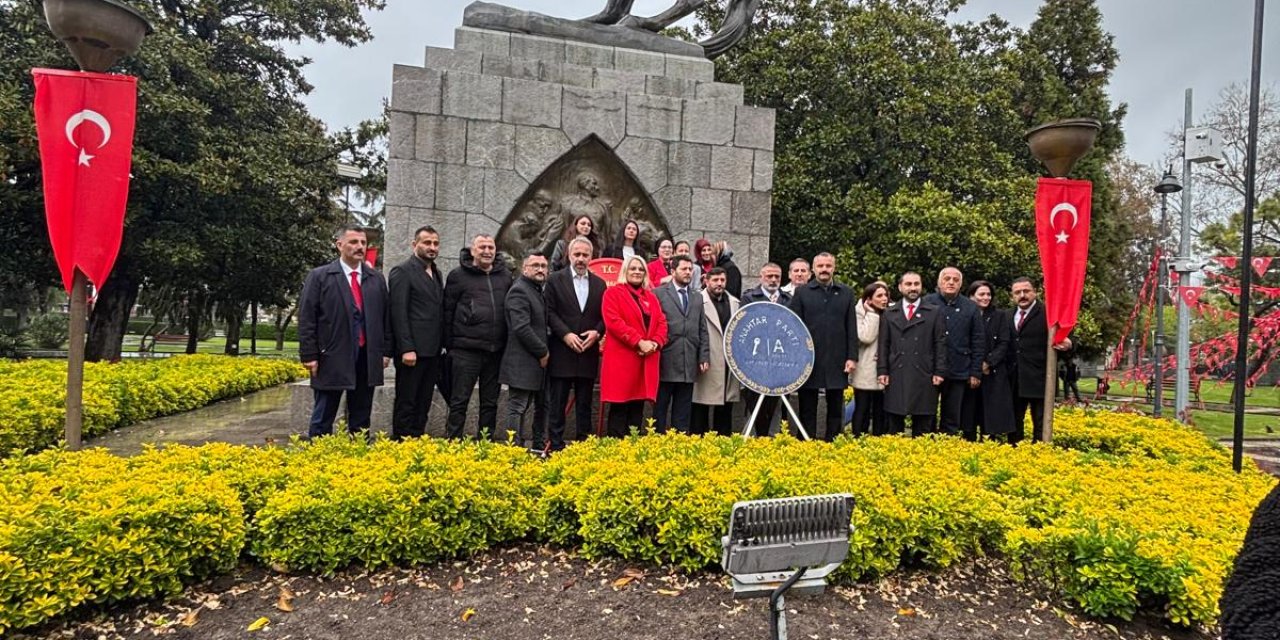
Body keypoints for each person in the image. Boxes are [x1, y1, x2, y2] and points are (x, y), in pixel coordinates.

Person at [298, 225, 392, 438]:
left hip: (367, 357)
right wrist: (309, 355)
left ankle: (357, 457)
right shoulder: (320, 276)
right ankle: (319, 455)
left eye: (363, 242)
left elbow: (385, 319)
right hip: (331, 355)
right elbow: (307, 319)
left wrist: (386, 351)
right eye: (353, 242)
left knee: (361, 415)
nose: (359, 247)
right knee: (324, 414)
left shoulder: (376, 279)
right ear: (339, 245)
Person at [443, 234, 514, 440]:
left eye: (490, 247)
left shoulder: (505, 276)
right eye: (482, 247)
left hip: (495, 351)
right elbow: (447, 311)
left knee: (490, 402)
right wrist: (449, 345)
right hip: (466, 350)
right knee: (459, 401)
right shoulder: (458, 276)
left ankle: (485, 443)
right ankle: (454, 442)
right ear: (472, 251)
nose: (487, 251)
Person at [544, 237, 607, 448]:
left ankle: (583, 446)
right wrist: (565, 335)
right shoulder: (555, 280)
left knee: (584, 404)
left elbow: (604, 316)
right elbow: (549, 312)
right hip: (562, 350)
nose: (581, 259)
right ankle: (555, 444)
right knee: (558, 402)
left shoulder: (600, 284)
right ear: (569, 255)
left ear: (592, 257)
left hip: (587, 352)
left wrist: (597, 333)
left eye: (585, 255)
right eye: (577, 254)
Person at [788, 253, 857, 441]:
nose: (824, 269)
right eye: (820, 266)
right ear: (813, 269)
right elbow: (794, 326)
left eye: (828, 265)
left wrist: (852, 357)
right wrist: (796, 357)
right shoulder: (802, 292)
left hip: (837, 358)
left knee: (835, 406)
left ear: (834, 268)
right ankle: (806, 442)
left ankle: (832, 442)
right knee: (807, 405)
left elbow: (851, 327)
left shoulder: (847, 293)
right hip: (809, 358)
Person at [387, 225, 445, 440]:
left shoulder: (436, 273)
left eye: (435, 243)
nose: (432, 247)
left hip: (432, 351)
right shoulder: (402, 271)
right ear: (415, 245)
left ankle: (417, 438)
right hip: (412, 353)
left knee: (423, 400)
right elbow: (398, 313)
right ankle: (401, 441)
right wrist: (407, 348)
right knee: (407, 400)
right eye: (427, 243)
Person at [600, 255, 668, 437]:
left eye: (640, 269)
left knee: (637, 409)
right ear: (625, 271)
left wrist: (655, 342)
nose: (637, 272)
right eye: (633, 268)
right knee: (620, 408)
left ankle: (632, 455)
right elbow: (614, 322)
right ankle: (615, 452)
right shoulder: (613, 294)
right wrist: (639, 341)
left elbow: (662, 322)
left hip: (644, 361)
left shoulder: (651, 298)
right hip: (623, 361)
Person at [877, 271, 948, 436]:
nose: (913, 288)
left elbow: (940, 343)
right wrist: (882, 370)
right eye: (908, 284)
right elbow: (883, 344)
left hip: (924, 372)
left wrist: (939, 371)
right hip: (896, 371)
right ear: (900, 287)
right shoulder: (889, 313)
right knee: (894, 424)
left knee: (923, 424)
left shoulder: (934, 312)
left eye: (916, 284)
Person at [922, 267, 985, 436]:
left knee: (952, 417)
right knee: (927, 416)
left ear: (961, 284)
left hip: (959, 369)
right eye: (947, 279)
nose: (951, 282)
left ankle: (947, 453)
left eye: (955, 280)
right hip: (930, 369)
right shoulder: (926, 303)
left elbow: (978, 341)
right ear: (939, 282)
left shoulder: (971, 307)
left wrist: (976, 371)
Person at [1008, 277, 1071, 443]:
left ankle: (1040, 457)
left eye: (1026, 291)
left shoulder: (1049, 315)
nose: (1022, 295)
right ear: (1012, 296)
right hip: (1014, 381)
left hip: (1041, 380)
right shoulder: (1007, 315)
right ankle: (1014, 455)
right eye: (1017, 292)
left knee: (1041, 425)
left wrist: (1069, 344)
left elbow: (1068, 338)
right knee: (1013, 424)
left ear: (1035, 292)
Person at [653, 255, 709, 432]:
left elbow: (702, 329)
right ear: (672, 271)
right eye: (683, 269)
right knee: (660, 408)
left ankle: (680, 445)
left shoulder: (697, 297)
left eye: (690, 269)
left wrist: (704, 356)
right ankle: (657, 442)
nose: (688, 272)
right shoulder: (659, 293)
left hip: (689, 361)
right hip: (666, 359)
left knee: (683, 410)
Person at [499, 253, 550, 450]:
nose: (540, 269)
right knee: (517, 407)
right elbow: (521, 328)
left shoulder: (536, 290)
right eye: (535, 265)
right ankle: (514, 449)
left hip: (536, 363)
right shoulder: (519, 291)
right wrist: (542, 352)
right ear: (524, 269)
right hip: (522, 360)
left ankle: (537, 446)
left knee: (541, 406)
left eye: (543, 266)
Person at [739, 263, 790, 434]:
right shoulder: (749, 298)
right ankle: (759, 436)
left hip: (779, 361)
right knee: (755, 403)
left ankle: (768, 437)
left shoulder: (788, 299)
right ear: (761, 277)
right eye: (769, 276)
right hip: (756, 361)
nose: (773, 280)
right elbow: (743, 328)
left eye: (777, 276)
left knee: (773, 404)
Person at [692, 267, 741, 435]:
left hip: (728, 360)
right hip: (707, 357)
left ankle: (723, 438)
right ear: (706, 281)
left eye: (722, 280)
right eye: (715, 280)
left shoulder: (735, 302)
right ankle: (699, 438)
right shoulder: (697, 300)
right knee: (701, 403)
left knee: (726, 404)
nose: (719, 284)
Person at [965, 280, 1016, 441]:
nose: (986, 297)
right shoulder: (965, 314)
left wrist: (988, 362)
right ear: (972, 296)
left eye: (988, 294)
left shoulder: (1000, 316)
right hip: (969, 371)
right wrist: (974, 365)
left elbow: (1004, 343)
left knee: (991, 415)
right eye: (981, 294)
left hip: (993, 372)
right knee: (970, 414)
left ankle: (990, 444)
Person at [852, 281, 889, 436]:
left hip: (884, 368)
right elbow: (865, 337)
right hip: (865, 369)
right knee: (862, 408)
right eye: (879, 296)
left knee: (881, 410)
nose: (884, 299)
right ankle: (858, 439)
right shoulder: (859, 312)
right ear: (869, 299)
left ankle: (879, 439)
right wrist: (872, 315)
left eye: (886, 295)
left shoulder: (890, 313)